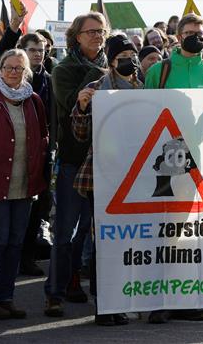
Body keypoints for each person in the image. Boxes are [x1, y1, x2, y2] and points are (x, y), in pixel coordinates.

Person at [143, 13, 203, 324]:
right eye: (189, 32)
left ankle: (187, 298)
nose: (196, 37)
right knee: (165, 231)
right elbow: (144, 113)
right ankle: (160, 300)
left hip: (202, 162)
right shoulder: (160, 70)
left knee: (192, 233)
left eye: (200, 32)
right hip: (167, 162)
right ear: (178, 35)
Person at [0, 49, 48, 320]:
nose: (13, 72)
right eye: (9, 67)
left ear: (26, 72)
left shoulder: (34, 100)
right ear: (0, 69)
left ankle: (5, 298)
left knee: (15, 242)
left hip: (25, 186)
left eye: (19, 68)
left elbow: (42, 140)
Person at [70, 34, 141, 326]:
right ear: (111, 60)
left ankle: (122, 301)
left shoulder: (145, 88)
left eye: (131, 55)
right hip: (103, 177)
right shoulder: (96, 88)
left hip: (136, 178)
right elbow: (80, 134)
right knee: (106, 243)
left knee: (130, 242)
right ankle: (104, 305)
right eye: (122, 55)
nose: (129, 60)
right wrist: (83, 109)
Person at [44, 12, 108, 317]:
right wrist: (101, 73)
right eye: (91, 31)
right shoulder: (64, 69)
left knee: (92, 233)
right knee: (66, 234)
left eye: (102, 31)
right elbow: (72, 105)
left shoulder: (115, 65)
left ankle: (78, 284)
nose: (98, 36)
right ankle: (54, 292)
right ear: (77, 36)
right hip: (73, 160)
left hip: (106, 161)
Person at [16, 33, 54, 276]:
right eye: (33, 50)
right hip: (16, 153)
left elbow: (53, 116)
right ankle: (13, 257)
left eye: (41, 50)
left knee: (36, 208)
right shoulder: (12, 79)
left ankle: (26, 257)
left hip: (41, 152)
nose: (38, 54)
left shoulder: (49, 79)